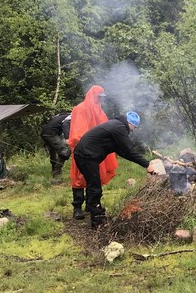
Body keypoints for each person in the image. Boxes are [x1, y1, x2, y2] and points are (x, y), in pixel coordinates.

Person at [73, 111, 156, 229]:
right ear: (130, 124)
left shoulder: (116, 125)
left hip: (84, 154)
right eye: (134, 127)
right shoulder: (119, 127)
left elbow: (123, 152)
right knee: (95, 187)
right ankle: (97, 220)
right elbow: (129, 151)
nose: (133, 131)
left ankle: (94, 209)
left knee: (93, 185)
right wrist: (147, 164)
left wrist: (144, 163)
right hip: (86, 156)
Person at [67, 85, 118, 220]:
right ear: (92, 96)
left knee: (95, 177)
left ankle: (92, 204)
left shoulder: (100, 112)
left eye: (101, 98)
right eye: (98, 97)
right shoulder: (80, 109)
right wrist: (87, 145)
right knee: (79, 178)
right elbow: (77, 132)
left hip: (96, 151)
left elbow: (106, 129)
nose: (100, 100)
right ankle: (77, 207)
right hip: (81, 150)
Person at [41, 111, 72, 182]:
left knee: (53, 153)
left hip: (46, 133)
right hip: (51, 134)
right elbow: (65, 123)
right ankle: (57, 174)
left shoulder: (62, 114)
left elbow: (53, 121)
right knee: (65, 152)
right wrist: (67, 138)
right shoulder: (71, 116)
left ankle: (54, 173)